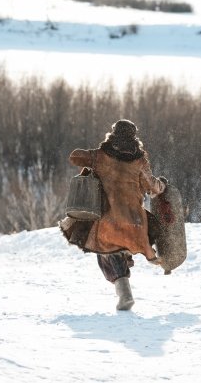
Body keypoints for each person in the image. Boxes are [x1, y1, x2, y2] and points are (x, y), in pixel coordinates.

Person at [60, 119, 166, 311]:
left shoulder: (101, 155)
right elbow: (153, 187)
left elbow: (74, 157)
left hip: (108, 221)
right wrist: (163, 186)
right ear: (134, 137)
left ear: (113, 134)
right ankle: (136, 263)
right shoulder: (140, 160)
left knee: (106, 252)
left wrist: (91, 158)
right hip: (136, 222)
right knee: (120, 247)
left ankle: (124, 292)